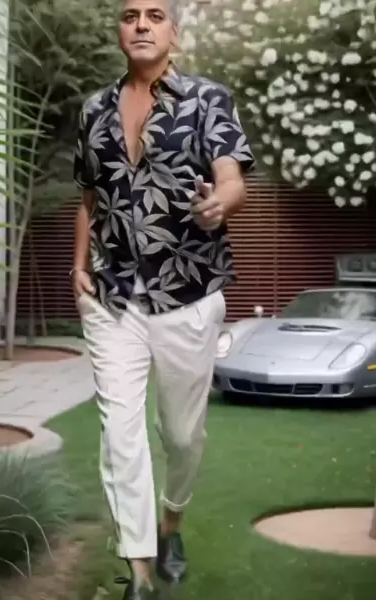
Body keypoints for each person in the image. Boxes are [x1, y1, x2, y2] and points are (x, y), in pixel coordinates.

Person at [71, 0, 255, 598]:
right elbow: (89, 197)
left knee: (182, 436)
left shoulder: (207, 99)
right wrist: (78, 265)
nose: (142, 24)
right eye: (130, 15)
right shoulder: (93, 110)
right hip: (112, 296)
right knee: (120, 434)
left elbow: (232, 176)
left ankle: (172, 522)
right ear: (119, 31)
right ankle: (140, 571)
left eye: (155, 14)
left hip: (188, 294)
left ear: (174, 31)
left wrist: (221, 202)